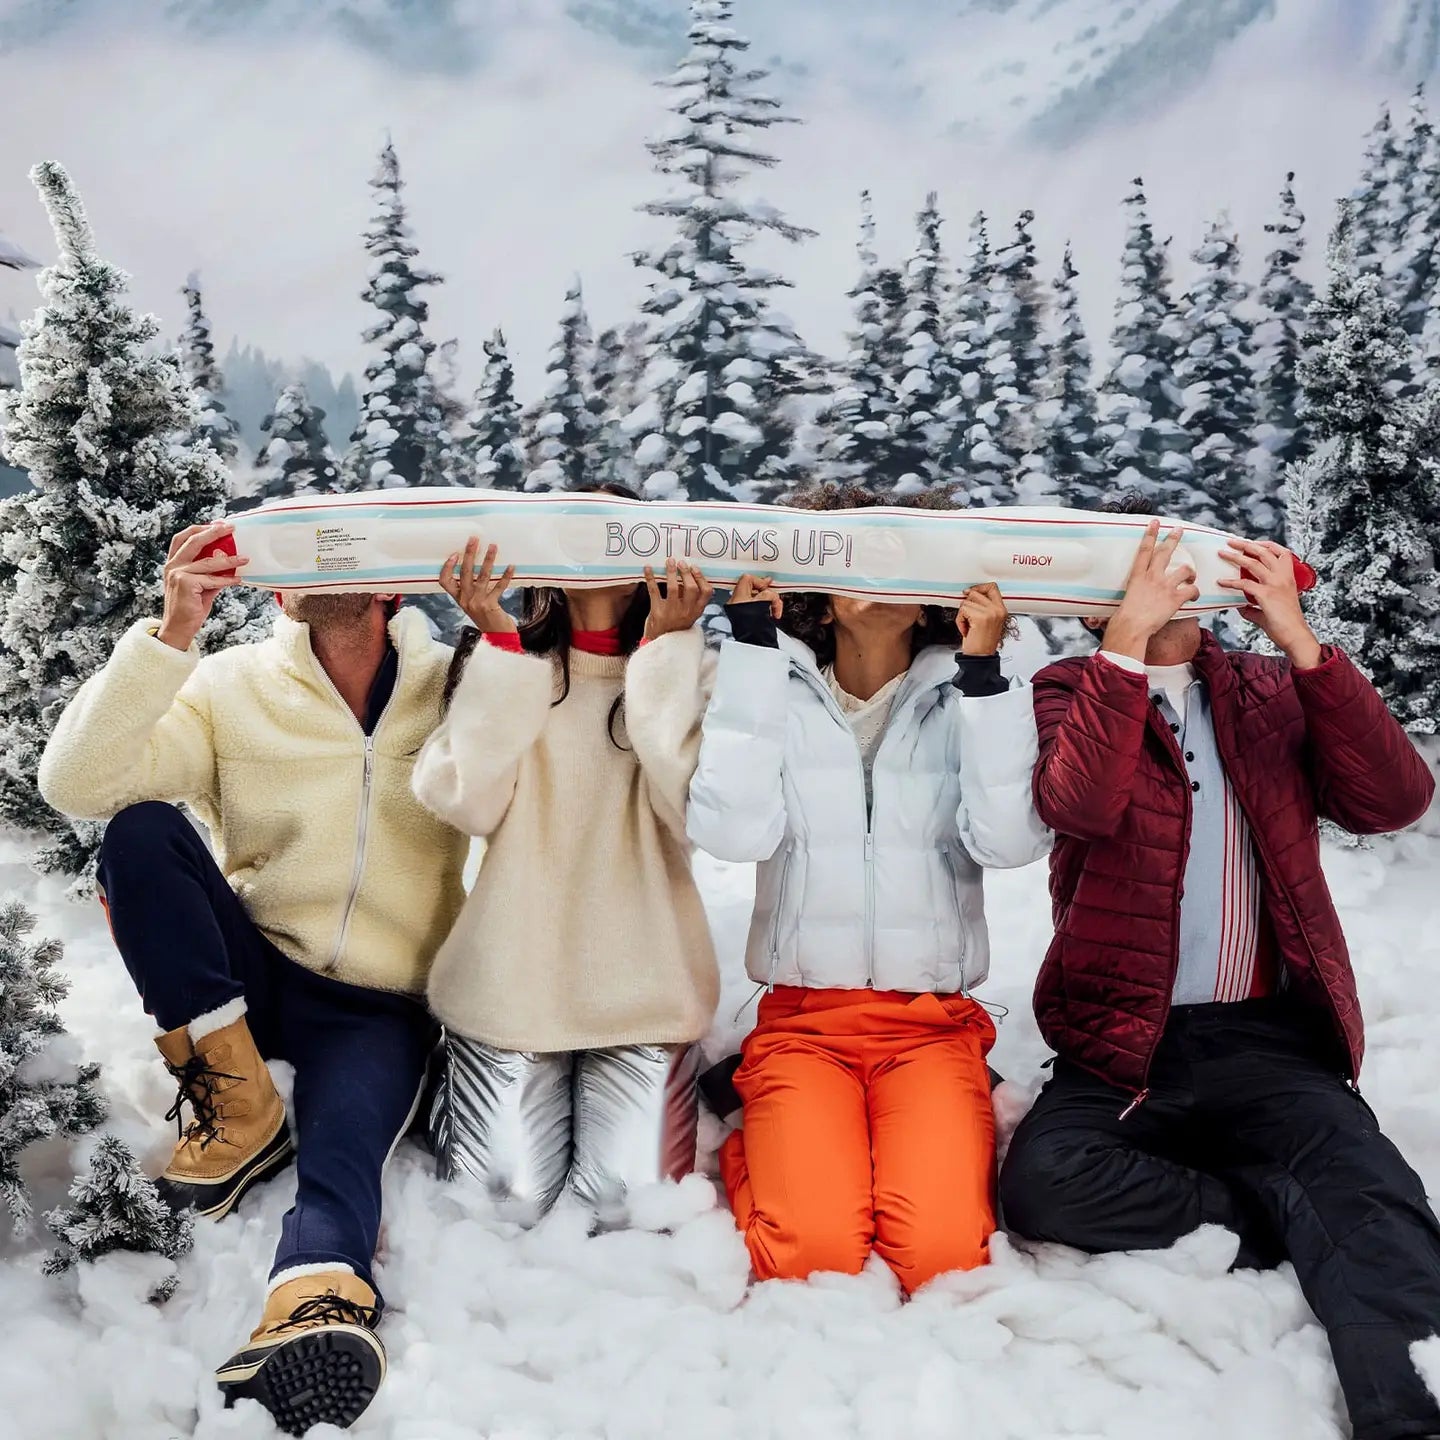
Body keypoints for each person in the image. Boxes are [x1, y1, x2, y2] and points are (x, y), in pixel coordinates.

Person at [999, 493, 1440, 1440]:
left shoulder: (1271, 689)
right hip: (1123, 1043)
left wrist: (1297, 636)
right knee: (1043, 1183)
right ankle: (1274, 1203)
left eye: (1181, 568)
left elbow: (1393, 802)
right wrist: (1124, 649)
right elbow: (1078, 805)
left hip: (1267, 1037)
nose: (1172, 590)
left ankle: (1412, 1414)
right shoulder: (1069, 690)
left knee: (1374, 1198)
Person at [38, 521, 468, 1435]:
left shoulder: (452, 689)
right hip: (255, 974)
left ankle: (314, 1300)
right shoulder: (228, 687)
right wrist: (173, 631)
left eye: (346, 551)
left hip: (378, 1008)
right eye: (303, 553)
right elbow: (76, 782)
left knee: (344, 1148)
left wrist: (503, 637)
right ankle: (238, 1108)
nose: (326, 568)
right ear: (276, 587)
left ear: (393, 584)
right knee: (138, 831)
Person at [685, 484, 1051, 1295]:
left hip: (931, 1027)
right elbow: (732, 834)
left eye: (901, 553)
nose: (876, 571)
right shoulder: (766, 686)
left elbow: (1011, 841)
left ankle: (865, 1138)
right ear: (818, 587)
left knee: (944, 1256)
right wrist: (750, 651)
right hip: (803, 1023)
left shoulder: (975, 691)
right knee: (809, 1254)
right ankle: (764, 1127)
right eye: (851, 550)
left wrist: (986, 676)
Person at [411, 494, 719, 1225]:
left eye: (614, 530)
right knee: (500, 1204)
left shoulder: (695, 672)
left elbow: (693, 813)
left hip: (642, 986)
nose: (595, 547)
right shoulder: (506, 660)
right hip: (514, 981)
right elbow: (465, 801)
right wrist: (498, 643)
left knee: (626, 1207)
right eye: (576, 528)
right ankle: (449, 1082)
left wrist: (666, 654)